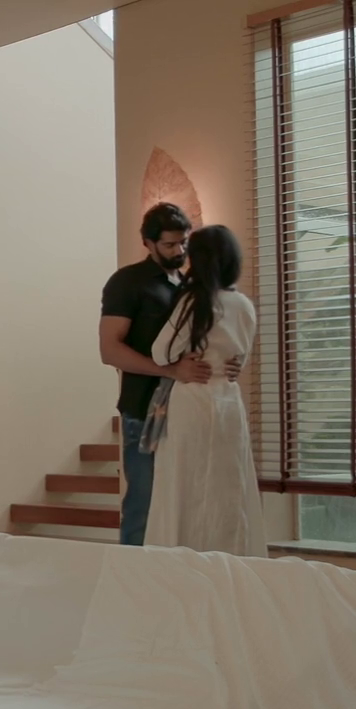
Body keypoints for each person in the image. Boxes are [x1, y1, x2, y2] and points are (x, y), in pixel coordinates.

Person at [143, 225, 263, 556]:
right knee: (228, 486)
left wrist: (182, 361)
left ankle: (179, 560)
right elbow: (240, 360)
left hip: (192, 398)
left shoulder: (195, 302)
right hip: (228, 401)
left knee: (183, 485)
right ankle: (230, 559)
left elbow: (161, 352)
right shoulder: (244, 305)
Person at [100, 203, 212, 546]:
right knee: (143, 504)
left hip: (188, 409)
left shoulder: (190, 285)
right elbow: (109, 350)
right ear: (148, 243)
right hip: (143, 411)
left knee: (187, 505)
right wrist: (170, 370)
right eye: (169, 245)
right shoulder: (127, 282)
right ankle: (131, 573)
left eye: (184, 242)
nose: (179, 251)